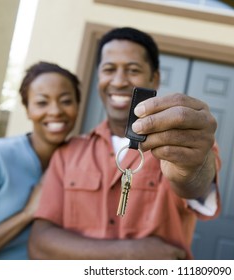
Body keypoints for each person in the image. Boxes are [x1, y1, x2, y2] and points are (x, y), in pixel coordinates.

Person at [29, 27, 222, 260]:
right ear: (99, 76)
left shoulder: (184, 144)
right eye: (109, 69)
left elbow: (195, 186)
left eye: (133, 70)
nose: (119, 81)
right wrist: (129, 253)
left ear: (155, 78)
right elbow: (41, 244)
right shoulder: (68, 153)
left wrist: (190, 170)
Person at [0, 61, 81, 259]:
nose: (55, 111)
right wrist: (27, 213)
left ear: (78, 105)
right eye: (42, 102)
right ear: (27, 109)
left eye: (66, 101)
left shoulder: (81, 161)